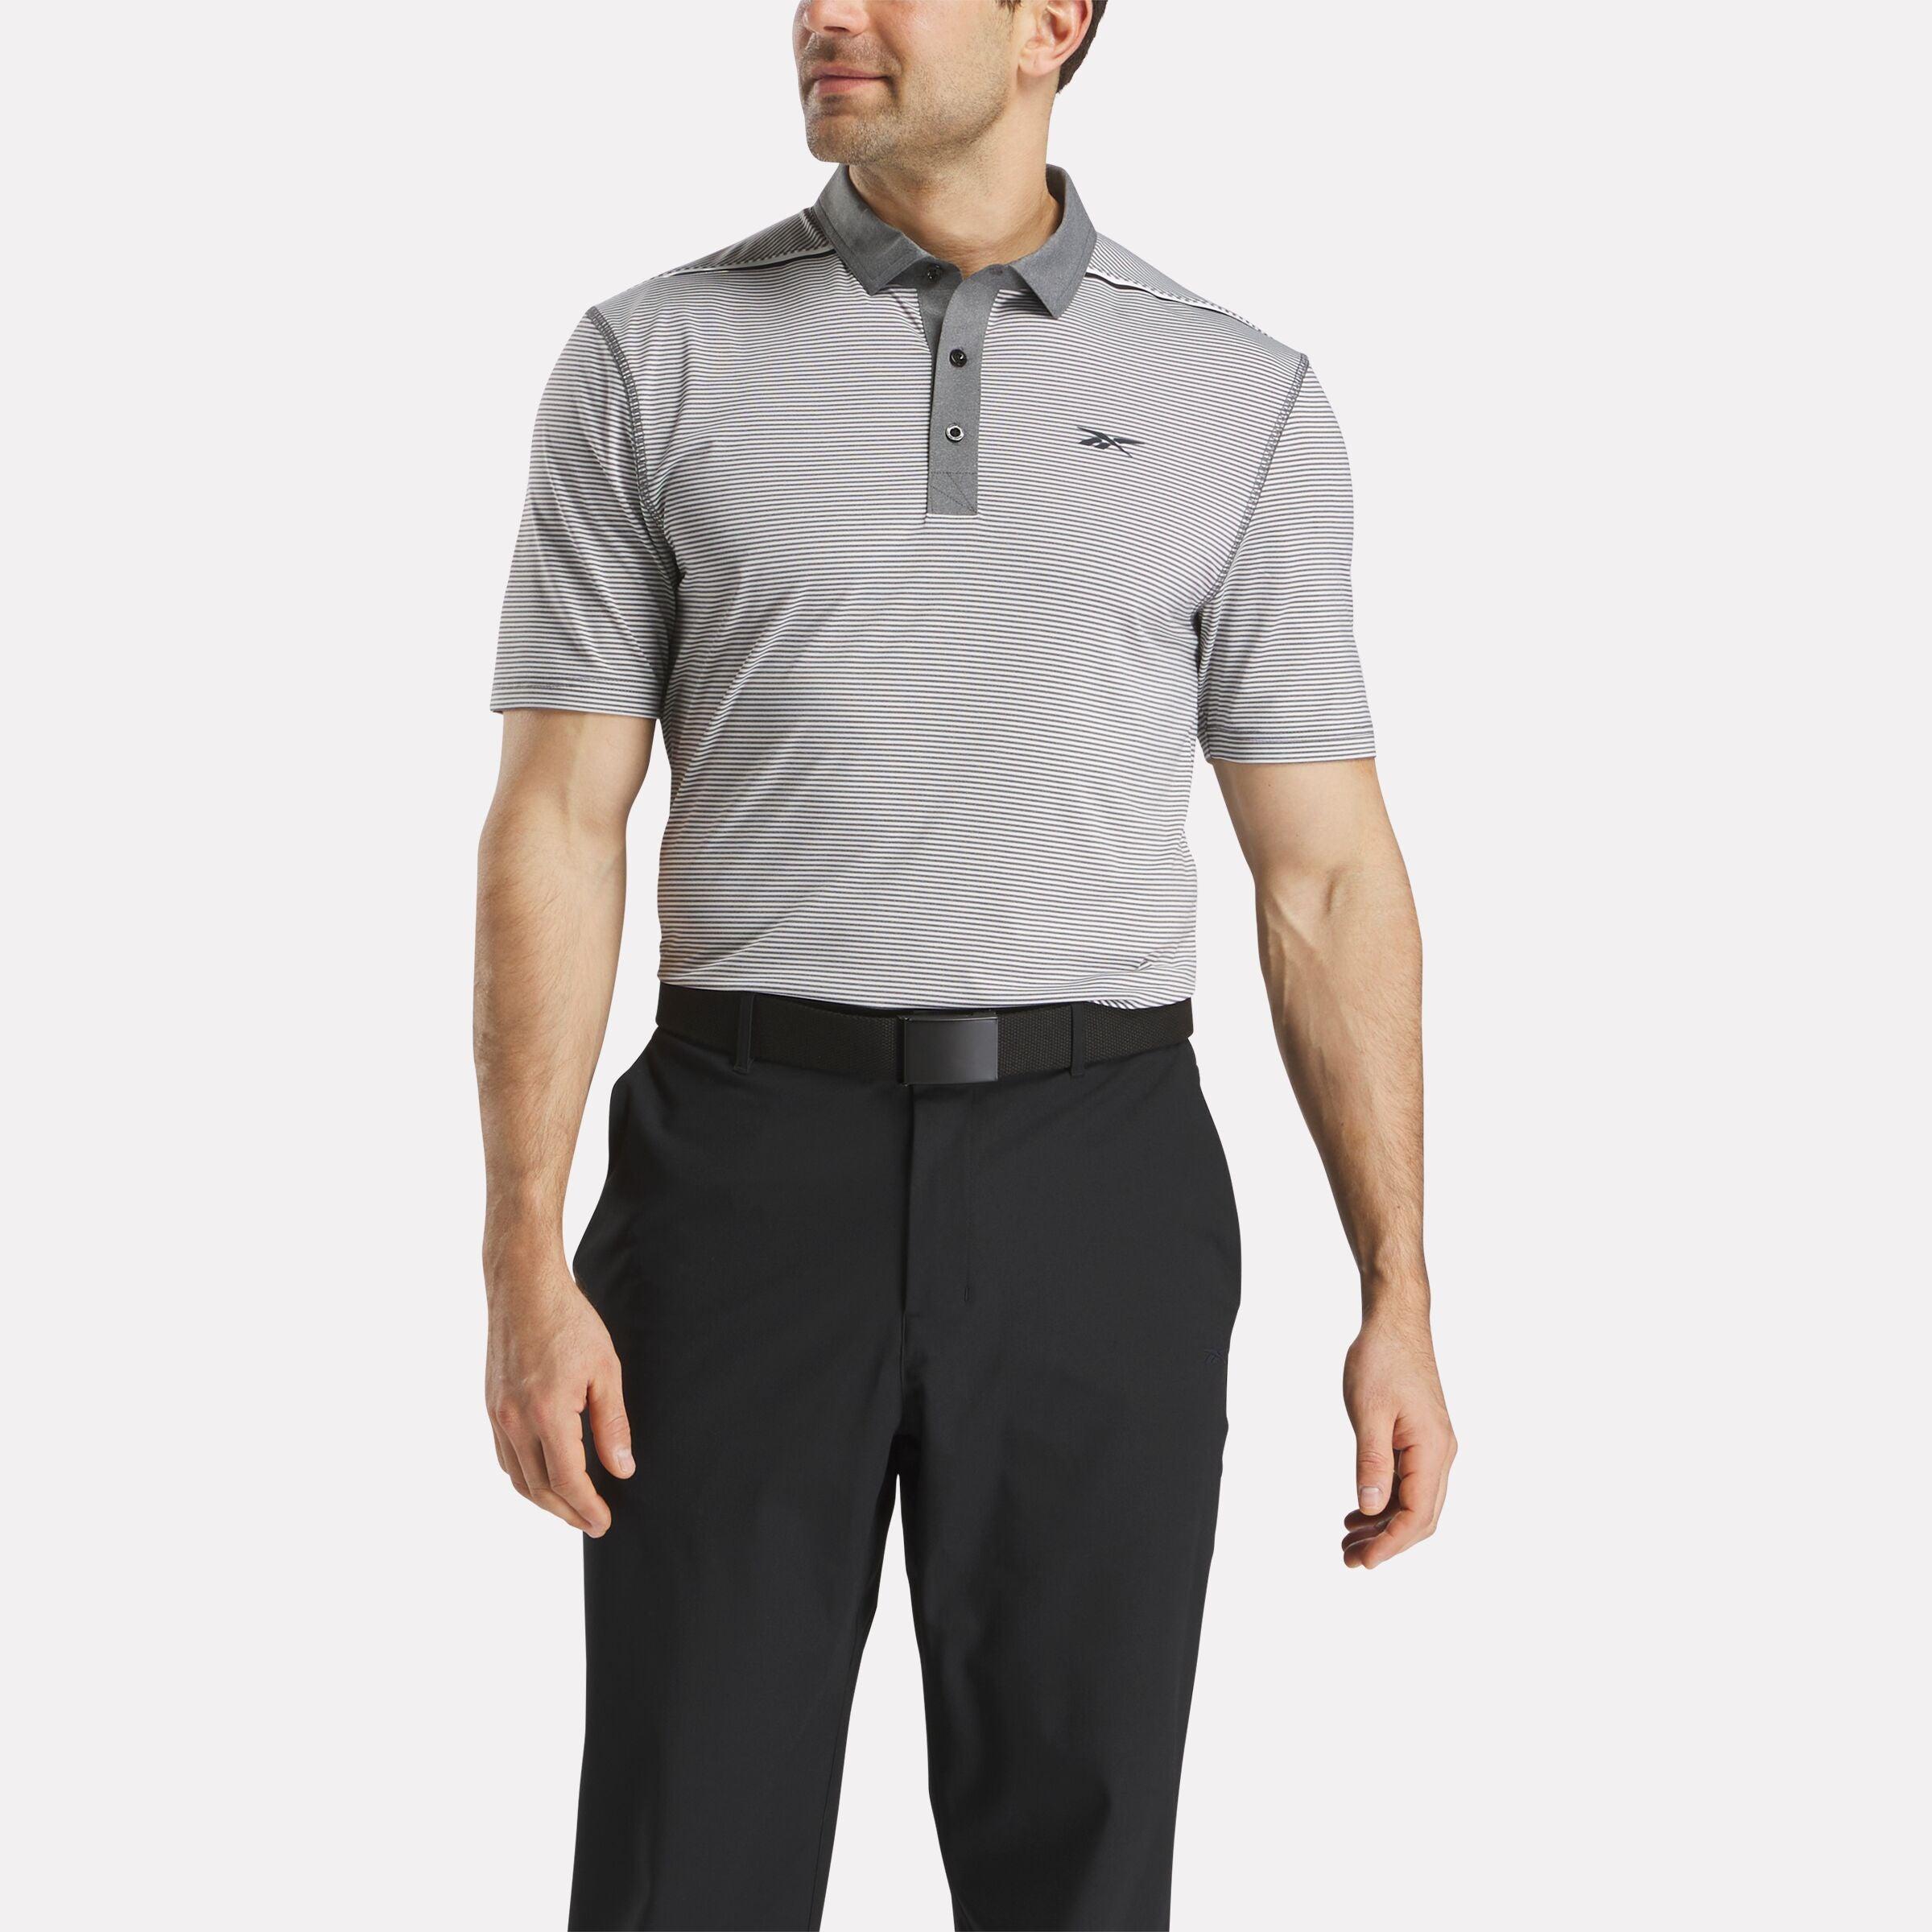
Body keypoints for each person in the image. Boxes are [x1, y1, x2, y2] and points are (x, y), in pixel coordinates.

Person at [473, 2, 1456, 1925]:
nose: (822, 13)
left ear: (1050, 23)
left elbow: (1327, 873)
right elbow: (557, 826)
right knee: (685, 1858)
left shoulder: (1237, 395)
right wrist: (522, 1249)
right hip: (739, 1176)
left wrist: (1398, 1290)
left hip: (1101, 1179)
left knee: (1079, 1871)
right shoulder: (654, 360)